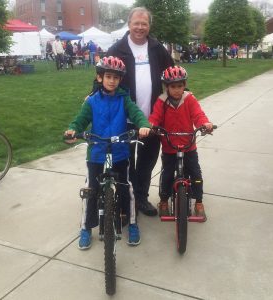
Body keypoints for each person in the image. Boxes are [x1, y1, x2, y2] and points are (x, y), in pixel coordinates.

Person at [64, 56, 151, 250]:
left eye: (116, 77)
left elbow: (136, 113)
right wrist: (72, 129)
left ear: (120, 80)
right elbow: (80, 120)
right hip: (96, 152)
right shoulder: (92, 101)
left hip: (120, 152)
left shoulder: (124, 98)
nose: (112, 81)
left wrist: (143, 125)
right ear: (100, 77)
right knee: (91, 190)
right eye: (108, 76)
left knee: (126, 188)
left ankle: (133, 224)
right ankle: (86, 227)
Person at [107, 7, 174, 217]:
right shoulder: (117, 49)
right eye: (136, 23)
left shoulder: (157, 48)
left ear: (149, 26)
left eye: (144, 24)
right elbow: (103, 77)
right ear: (129, 24)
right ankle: (125, 200)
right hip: (123, 119)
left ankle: (141, 198)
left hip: (152, 119)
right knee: (124, 162)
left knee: (147, 161)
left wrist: (185, 95)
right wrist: (92, 96)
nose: (140, 27)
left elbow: (172, 75)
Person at [149, 66, 214, 221]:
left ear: (184, 85)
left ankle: (198, 201)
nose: (177, 90)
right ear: (166, 87)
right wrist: (151, 125)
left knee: (196, 173)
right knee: (166, 174)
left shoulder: (189, 99)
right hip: (169, 146)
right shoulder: (161, 101)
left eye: (180, 86)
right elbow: (155, 117)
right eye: (173, 87)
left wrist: (205, 123)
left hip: (188, 145)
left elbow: (198, 114)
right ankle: (164, 201)